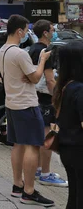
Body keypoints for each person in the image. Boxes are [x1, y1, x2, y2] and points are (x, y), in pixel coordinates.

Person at [0, 15, 54, 206]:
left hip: (12, 103)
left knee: (18, 144)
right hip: (26, 104)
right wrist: (43, 60)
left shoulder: (3, 51)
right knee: (33, 145)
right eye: (25, 30)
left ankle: (17, 185)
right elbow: (36, 78)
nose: (27, 34)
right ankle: (29, 191)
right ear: (20, 31)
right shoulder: (20, 53)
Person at [29, 20, 68, 187]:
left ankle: (38, 169)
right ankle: (45, 173)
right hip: (45, 99)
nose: (54, 32)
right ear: (45, 32)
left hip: (33, 96)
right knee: (47, 136)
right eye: (52, 30)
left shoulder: (32, 49)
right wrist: (57, 99)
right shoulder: (47, 52)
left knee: (38, 135)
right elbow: (50, 80)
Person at [53, 41, 83, 209]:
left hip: (67, 147)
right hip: (79, 148)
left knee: (75, 193)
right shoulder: (80, 89)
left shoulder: (65, 86)